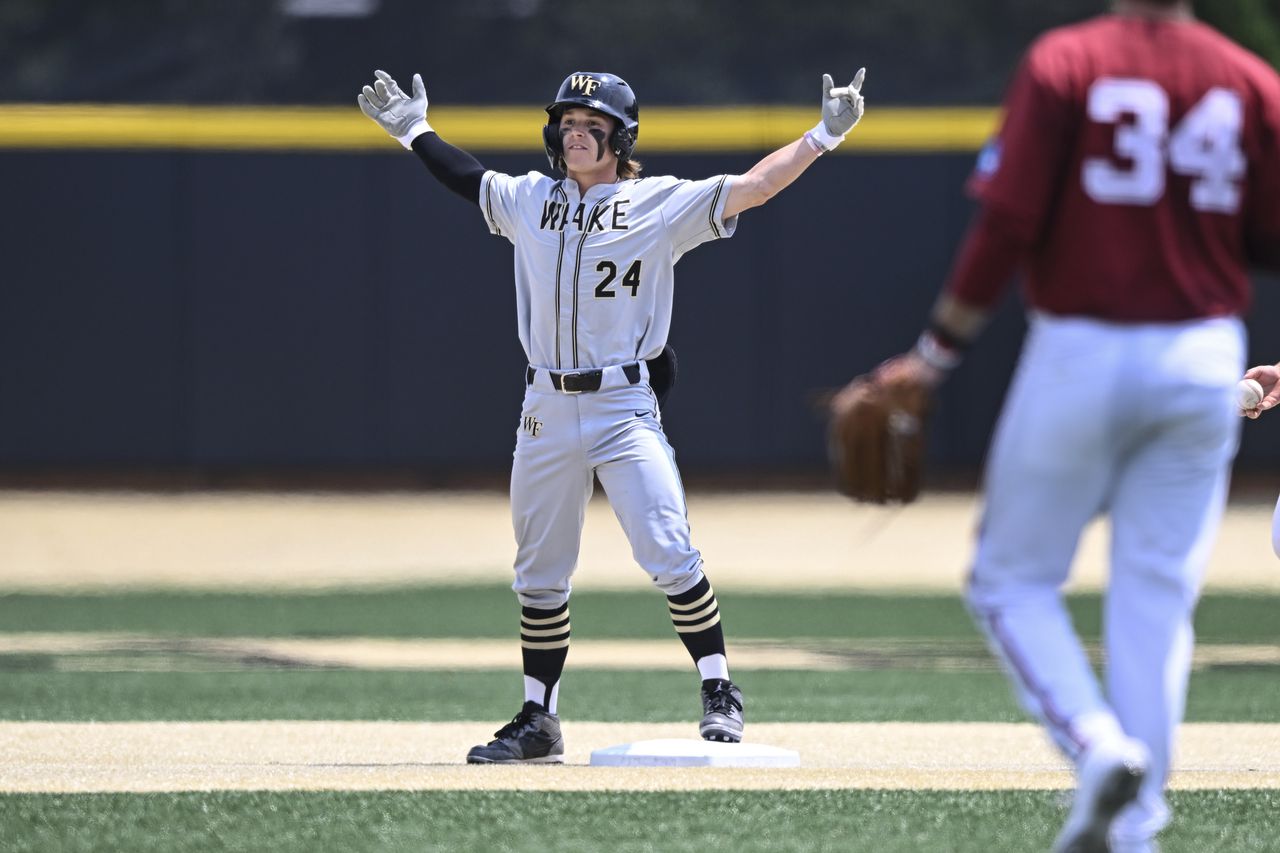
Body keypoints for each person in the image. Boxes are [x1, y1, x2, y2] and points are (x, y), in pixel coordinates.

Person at [861, 1, 1280, 850]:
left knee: (1008, 580)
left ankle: (1097, 745)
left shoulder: (1067, 61)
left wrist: (934, 355)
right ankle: (1138, 829)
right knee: (1157, 600)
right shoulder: (1251, 81)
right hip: (1205, 354)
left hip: (1083, 345)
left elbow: (1009, 222)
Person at [359, 66, 865, 763]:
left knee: (667, 547)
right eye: (567, 123)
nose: (575, 134)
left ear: (620, 137)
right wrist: (413, 130)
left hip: (622, 402)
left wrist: (823, 136)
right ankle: (540, 719)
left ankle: (719, 689)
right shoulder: (532, 199)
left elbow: (755, 186)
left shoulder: (657, 204)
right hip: (543, 402)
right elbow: (468, 178)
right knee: (539, 572)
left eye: (590, 125)